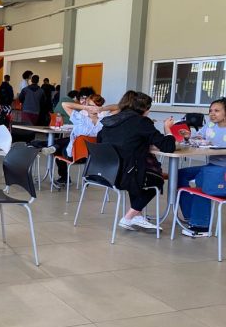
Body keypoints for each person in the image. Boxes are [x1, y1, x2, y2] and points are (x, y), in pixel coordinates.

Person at [98, 91, 176, 232]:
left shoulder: (110, 120)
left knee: (139, 173)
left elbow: (102, 141)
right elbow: (168, 147)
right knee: (156, 180)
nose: (149, 111)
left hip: (107, 173)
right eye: (148, 107)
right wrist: (168, 129)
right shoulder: (141, 121)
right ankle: (129, 217)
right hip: (126, 175)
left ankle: (137, 216)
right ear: (143, 108)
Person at [178, 97, 226, 237]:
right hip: (212, 166)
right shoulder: (210, 126)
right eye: (210, 111)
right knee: (179, 175)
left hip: (222, 169)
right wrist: (189, 136)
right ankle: (190, 216)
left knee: (203, 179)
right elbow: (198, 138)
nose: (212, 114)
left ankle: (201, 226)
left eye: (217, 111)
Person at [43, 94, 116, 186]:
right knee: (71, 140)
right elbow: (118, 107)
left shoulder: (80, 118)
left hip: (74, 156)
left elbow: (64, 104)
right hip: (92, 158)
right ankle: (53, 146)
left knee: (58, 150)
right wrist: (102, 109)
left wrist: (85, 107)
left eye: (90, 106)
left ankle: (64, 177)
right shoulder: (104, 121)